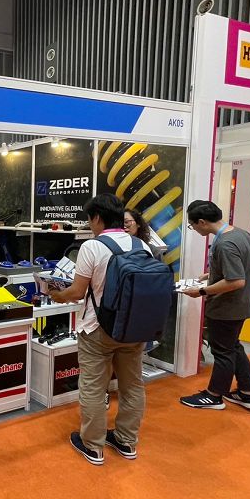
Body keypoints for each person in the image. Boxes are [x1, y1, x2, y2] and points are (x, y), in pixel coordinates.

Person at [47, 194, 146, 466]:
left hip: (98, 328)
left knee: (92, 387)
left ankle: (93, 445)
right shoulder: (141, 245)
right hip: (134, 327)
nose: (89, 224)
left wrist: (57, 295)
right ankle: (126, 441)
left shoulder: (92, 246)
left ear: (98, 218)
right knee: (132, 386)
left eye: (89, 219)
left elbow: (77, 292)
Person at [180, 200, 250, 411]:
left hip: (227, 307)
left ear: (202, 222)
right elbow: (241, 266)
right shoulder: (240, 234)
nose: (194, 229)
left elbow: (236, 281)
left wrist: (201, 291)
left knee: (223, 352)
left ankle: (214, 395)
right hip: (242, 304)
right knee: (233, 346)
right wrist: (212, 273)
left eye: (192, 225)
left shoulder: (225, 243)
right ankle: (248, 392)